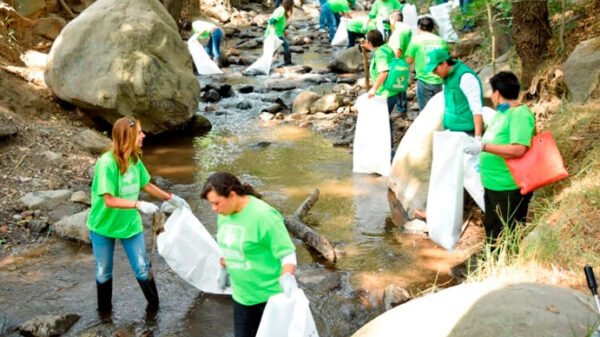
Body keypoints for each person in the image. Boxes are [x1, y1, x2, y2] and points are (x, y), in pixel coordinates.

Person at [88, 117, 189, 317]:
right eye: (140, 132)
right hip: (103, 225)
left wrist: (172, 197)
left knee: (143, 269)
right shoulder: (106, 163)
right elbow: (108, 200)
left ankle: (154, 313)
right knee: (103, 272)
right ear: (128, 135)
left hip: (129, 225)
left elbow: (146, 184)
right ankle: (105, 317)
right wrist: (138, 204)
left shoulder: (134, 159)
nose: (143, 135)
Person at [201, 172, 298, 337]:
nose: (214, 209)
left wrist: (287, 281)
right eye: (211, 204)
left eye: (217, 203)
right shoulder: (224, 214)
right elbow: (232, 245)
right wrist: (226, 265)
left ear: (232, 195)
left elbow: (287, 255)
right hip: (242, 297)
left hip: (269, 298)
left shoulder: (264, 216)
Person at [463, 71, 535, 243]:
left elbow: (518, 149)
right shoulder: (502, 113)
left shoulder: (520, 114)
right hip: (493, 185)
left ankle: (506, 263)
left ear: (497, 93)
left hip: (508, 187)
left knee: (507, 232)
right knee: (493, 229)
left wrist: (483, 146)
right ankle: (492, 263)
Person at [424, 48, 484, 137]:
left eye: (435, 69)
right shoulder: (446, 78)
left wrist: (477, 138)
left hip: (467, 132)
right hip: (451, 130)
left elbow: (476, 108)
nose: (434, 73)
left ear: (444, 63)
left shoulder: (465, 77)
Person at [405, 16, 448, 111]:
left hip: (424, 79)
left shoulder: (415, 40)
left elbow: (409, 60)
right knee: (439, 109)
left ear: (419, 27)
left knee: (425, 111)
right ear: (432, 28)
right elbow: (446, 60)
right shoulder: (441, 41)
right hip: (439, 80)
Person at [363, 30, 403, 114]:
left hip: (385, 93)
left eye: (367, 41)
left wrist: (374, 89)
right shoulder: (386, 48)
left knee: (381, 119)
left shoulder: (380, 54)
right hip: (393, 89)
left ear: (370, 42)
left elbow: (384, 72)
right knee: (384, 118)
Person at [387, 11, 412, 113]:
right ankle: (402, 107)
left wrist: (393, 64)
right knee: (401, 84)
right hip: (405, 60)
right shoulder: (407, 28)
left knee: (396, 86)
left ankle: (400, 108)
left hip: (398, 61)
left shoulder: (398, 31)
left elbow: (398, 49)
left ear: (393, 19)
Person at [266, 0, 294, 65]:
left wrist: (284, 31)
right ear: (289, 5)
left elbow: (279, 23)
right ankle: (288, 63)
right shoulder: (281, 10)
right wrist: (273, 32)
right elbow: (272, 21)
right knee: (286, 46)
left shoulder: (281, 10)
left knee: (274, 49)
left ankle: (268, 63)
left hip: (276, 33)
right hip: (275, 34)